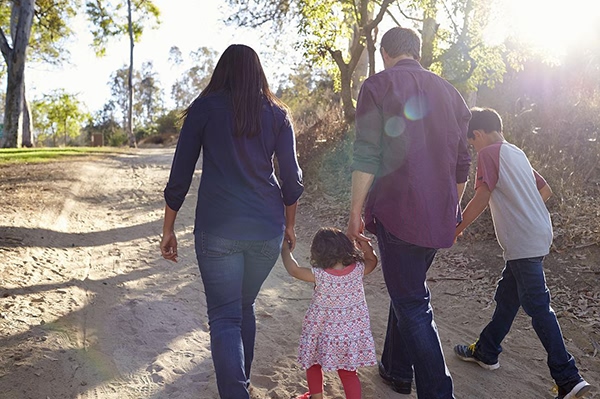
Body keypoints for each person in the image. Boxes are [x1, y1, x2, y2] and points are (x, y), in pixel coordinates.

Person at [160, 44, 304, 399]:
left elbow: (180, 174)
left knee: (225, 317)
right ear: (258, 73)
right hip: (266, 230)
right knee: (244, 306)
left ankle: (237, 391)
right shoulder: (278, 114)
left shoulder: (204, 109)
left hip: (218, 229)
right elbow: (292, 181)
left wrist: (168, 228)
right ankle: (242, 385)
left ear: (221, 71)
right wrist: (289, 225)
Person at [347, 27, 471, 398]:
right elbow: (463, 163)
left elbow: (367, 154)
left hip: (398, 211)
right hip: (438, 216)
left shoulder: (377, 86)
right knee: (408, 289)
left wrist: (355, 212)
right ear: (418, 52)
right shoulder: (451, 93)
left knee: (412, 303)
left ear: (385, 52)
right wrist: (453, 206)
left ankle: (438, 392)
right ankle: (397, 370)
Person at [453, 108, 591, 399]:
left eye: (471, 142)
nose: (473, 148)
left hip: (523, 242)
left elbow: (481, 196)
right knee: (507, 298)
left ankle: (568, 377)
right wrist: (524, 210)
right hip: (539, 232)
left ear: (478, 135)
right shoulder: (517, 152)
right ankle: (487, 351)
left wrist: (455, 228)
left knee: (538, 306)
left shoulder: (487, 154)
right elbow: (546, 190)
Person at [280, 227, 378, 399]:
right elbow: (372, 260)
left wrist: (284, 249)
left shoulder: (320, 275)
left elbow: (294, 270)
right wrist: (364, 244)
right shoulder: (358, 270)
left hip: (321, 333)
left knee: (313, 363)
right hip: (349, 335)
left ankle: (316, 397)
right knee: (348, 373)